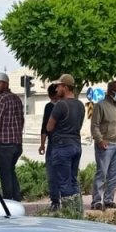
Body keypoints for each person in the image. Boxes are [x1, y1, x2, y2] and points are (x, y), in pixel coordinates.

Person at [45, 74, 84, 212]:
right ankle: (78, 211)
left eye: (59, 86)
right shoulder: (80, 105)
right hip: (76, 145)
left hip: (62, 146)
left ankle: (70, 214)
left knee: (64, 183)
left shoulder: (61, 105)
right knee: (73, 181)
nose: (57, 89)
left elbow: (49, 127)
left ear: (65, 87)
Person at [89, 80, 116, 211]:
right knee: (102, 173)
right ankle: (96, 201)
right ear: (110, 92)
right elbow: (94, 126)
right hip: (105, 144)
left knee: (115, 174)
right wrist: (100, 140)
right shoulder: (100, 106)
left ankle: (108, 200)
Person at [0, 72, 25, 201]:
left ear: (5, 84)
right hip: (16, 144)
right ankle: (16, 199)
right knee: (11, 171)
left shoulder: (1, 99)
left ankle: (9, 202)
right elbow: (21, 120)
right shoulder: (17, 98)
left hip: (4, 144)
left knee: (4, 174)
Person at [39, 83, 60, 206]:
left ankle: (56, 201)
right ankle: (62, 199)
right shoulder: (66, 104)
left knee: (52, 172)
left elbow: (45, 128)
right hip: (60, 143)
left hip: (54, 143)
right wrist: (42, 144)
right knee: (59, 173)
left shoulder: (51, 107)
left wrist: (42, 144)